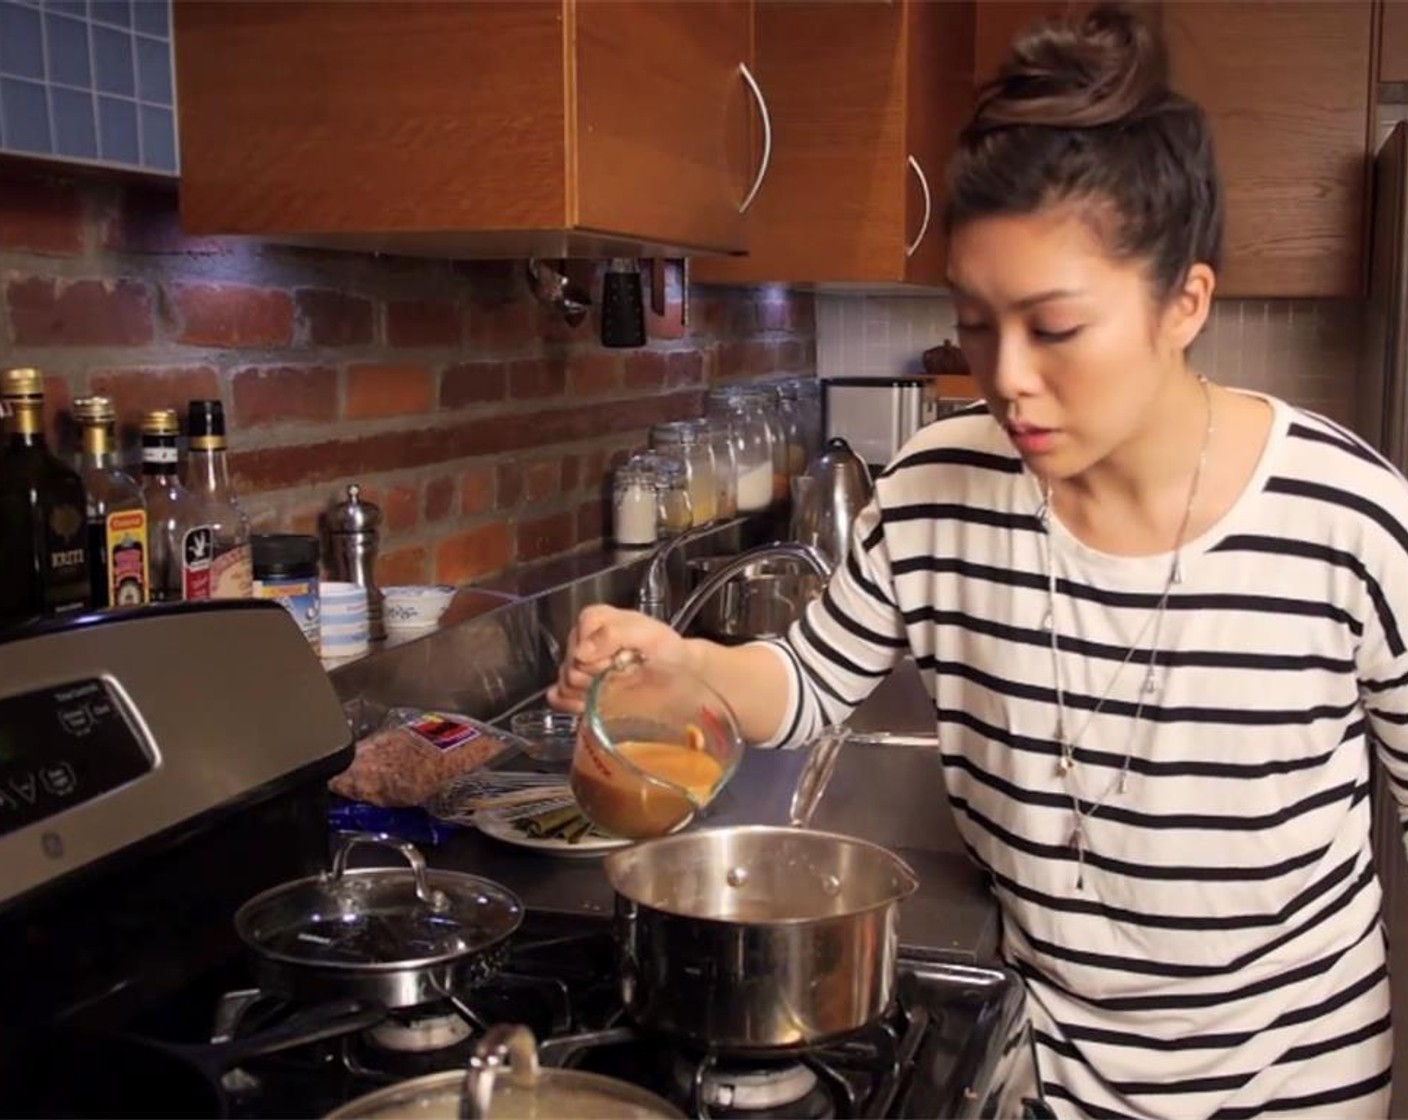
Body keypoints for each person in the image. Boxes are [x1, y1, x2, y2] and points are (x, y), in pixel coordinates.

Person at [551, 4, 1403, 1116]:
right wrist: (693, 665)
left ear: (1184, 301)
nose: (1006, 379)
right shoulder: (933, 487)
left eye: (1053, 329)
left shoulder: (1345, 518)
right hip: (1034, 1072)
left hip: (1295, 1089)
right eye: (975, 321)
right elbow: (809, 686)